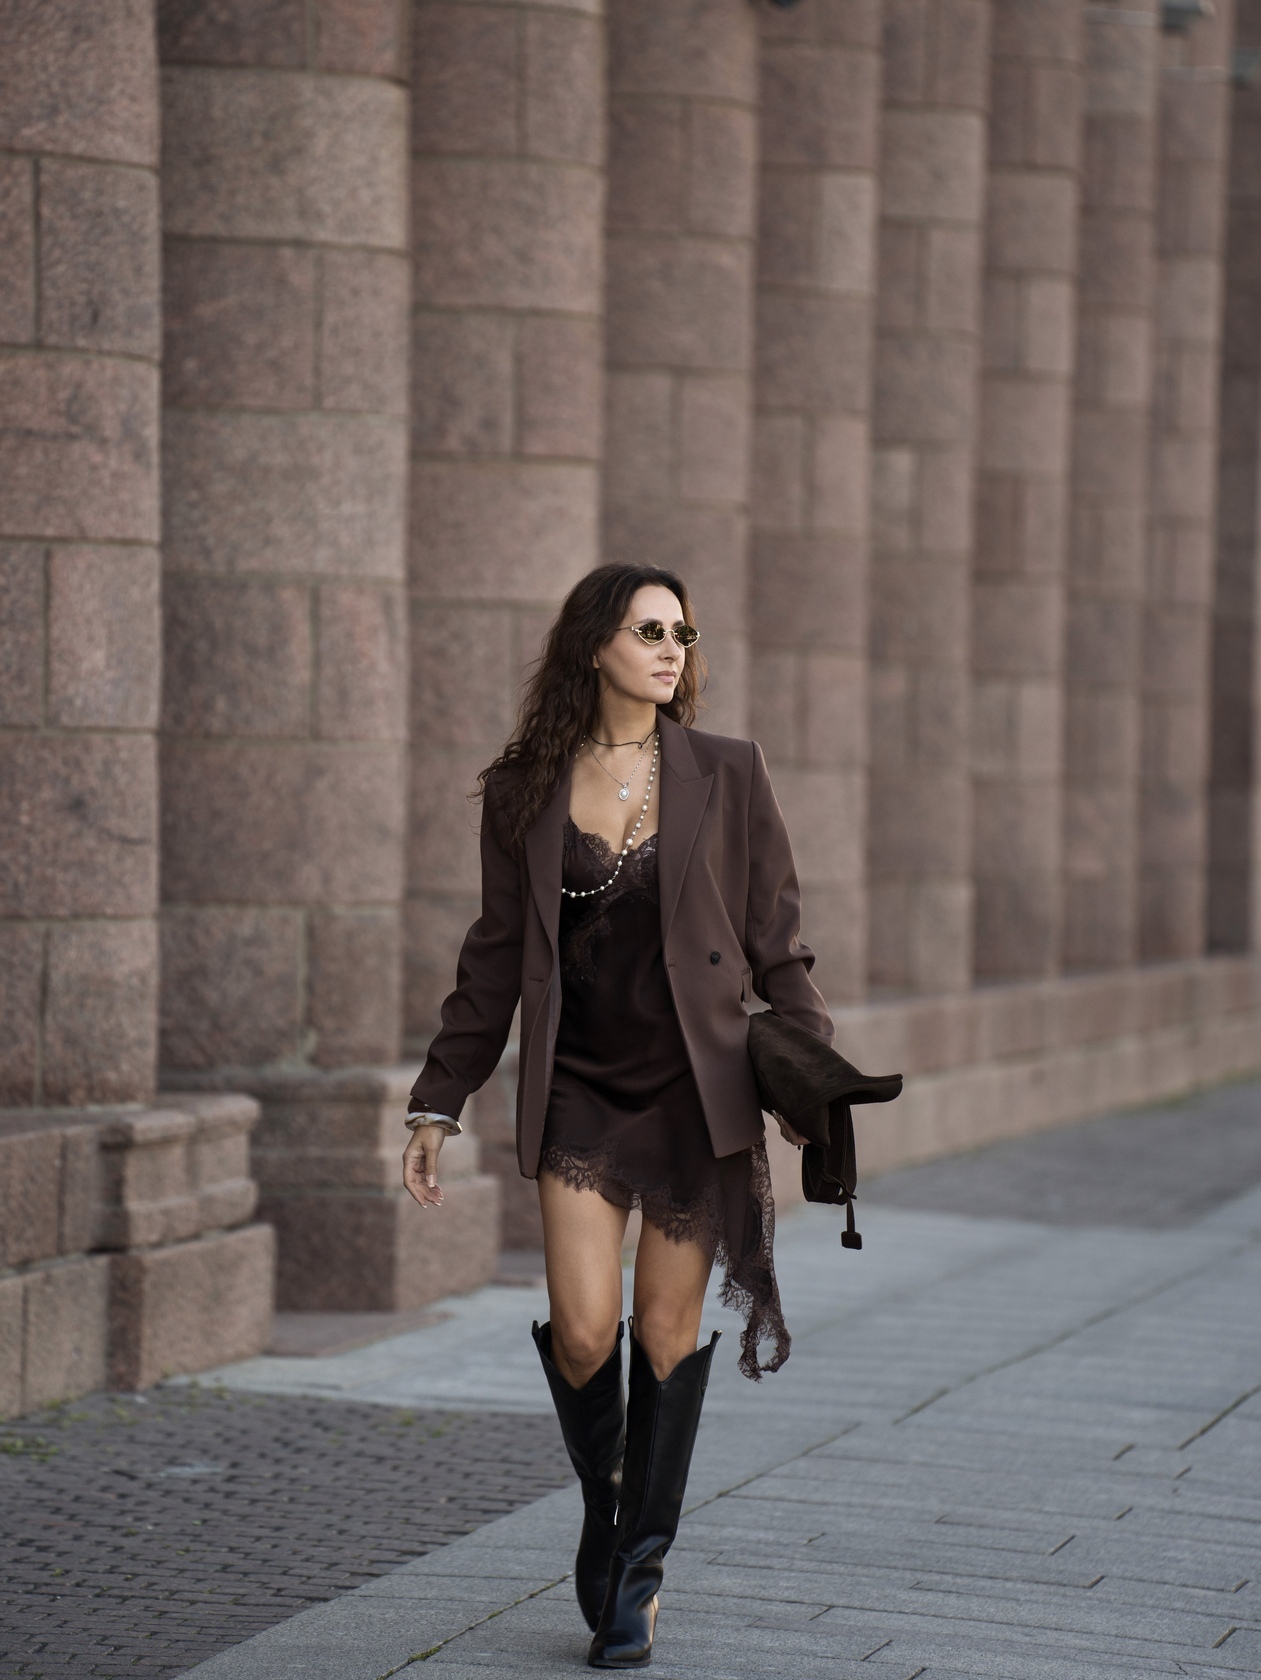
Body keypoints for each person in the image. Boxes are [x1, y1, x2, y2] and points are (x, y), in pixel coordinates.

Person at [401, 563, 832, 1668]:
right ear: (595, 643)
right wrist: (439, 1098)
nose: (671, 649)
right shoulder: (524, 789)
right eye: (648, 630)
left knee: (666, 1337)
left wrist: (816, 1078)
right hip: (581, 1092)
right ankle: (606, 1508)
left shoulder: (726, 771)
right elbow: (494, 957)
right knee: (587, 1332)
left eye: (682, 632)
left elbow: (777, 941)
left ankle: (637, 1570)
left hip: (695, 1094)